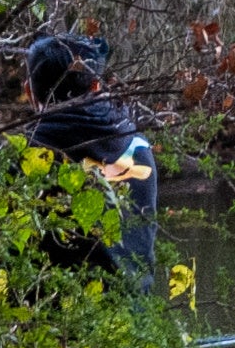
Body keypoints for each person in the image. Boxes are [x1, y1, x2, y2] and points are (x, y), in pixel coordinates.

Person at [13, 31, 162, 287]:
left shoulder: (30, 154)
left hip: (56, 317)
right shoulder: (138, 146)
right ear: (96, 86)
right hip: (136, 316)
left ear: (29, 91)